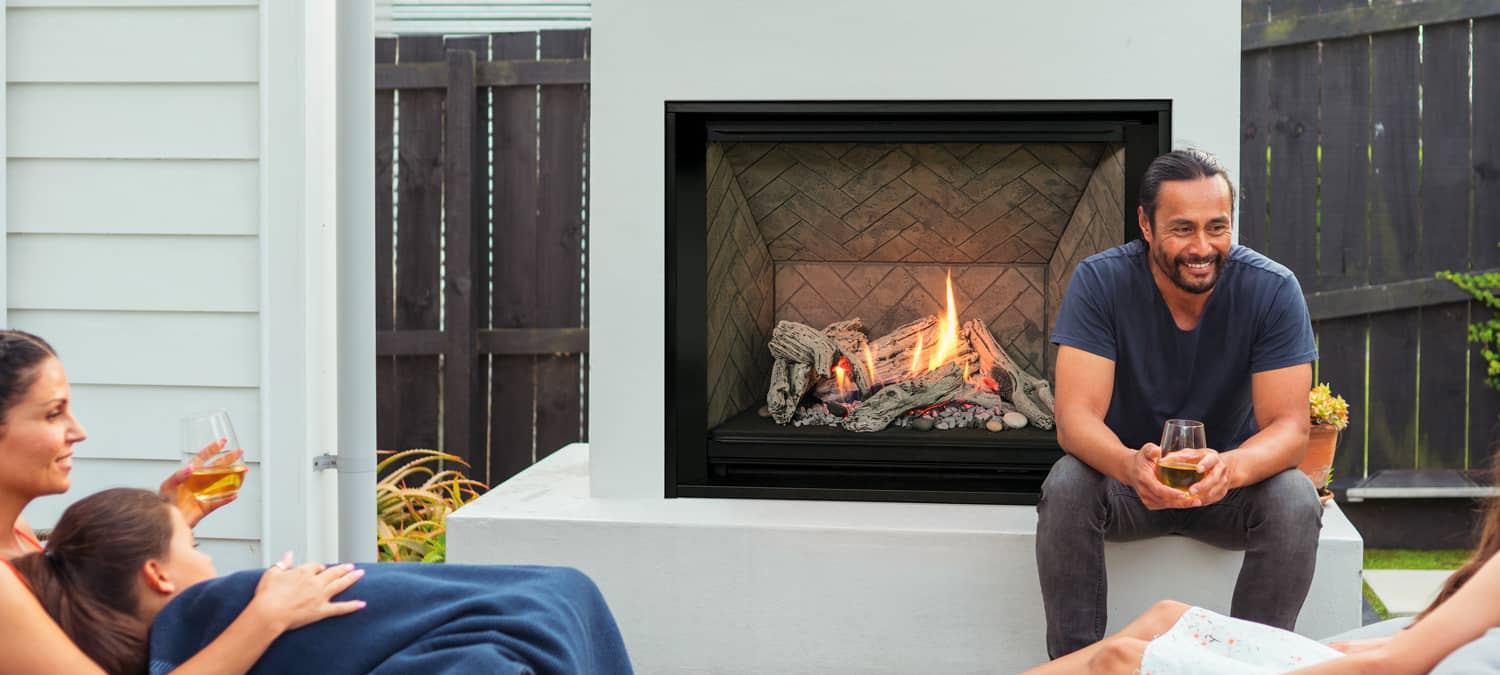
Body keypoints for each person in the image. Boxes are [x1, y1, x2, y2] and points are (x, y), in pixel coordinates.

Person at [1037, 149, 1323, 658]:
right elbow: (1075, 420)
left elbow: (1290, 429)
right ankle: (1076, 666)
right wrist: (1130, 465)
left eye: (1217, 227)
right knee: (1066, 483)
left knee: (1295, 498)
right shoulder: (1100, 282)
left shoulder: (1273, 289)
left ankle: (1247, 667)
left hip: (1227, 488)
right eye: (1183, 229)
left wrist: (1229, 469)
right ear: (1145, 225)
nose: (1203, 247)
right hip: (1131, 485)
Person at [0, 329, 365, 672]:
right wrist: (268, 616)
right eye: (53, 413)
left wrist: (169, 522)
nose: (78, 432)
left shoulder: (19, 533)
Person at [14, 488, 633, 674]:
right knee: (554, 595)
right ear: (156, 574)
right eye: (195, 546)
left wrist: (169, 514)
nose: (209, 562)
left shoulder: (37, 563)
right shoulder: (221, 610)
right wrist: (267, 614)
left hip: (528, 616)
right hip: (534, 613)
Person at [1023, 453, 1500, 674]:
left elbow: (1395, 662)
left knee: (1121, 659)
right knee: (1166, 615)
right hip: (1390, 654)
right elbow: (1400, 650)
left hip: (1385, 663)